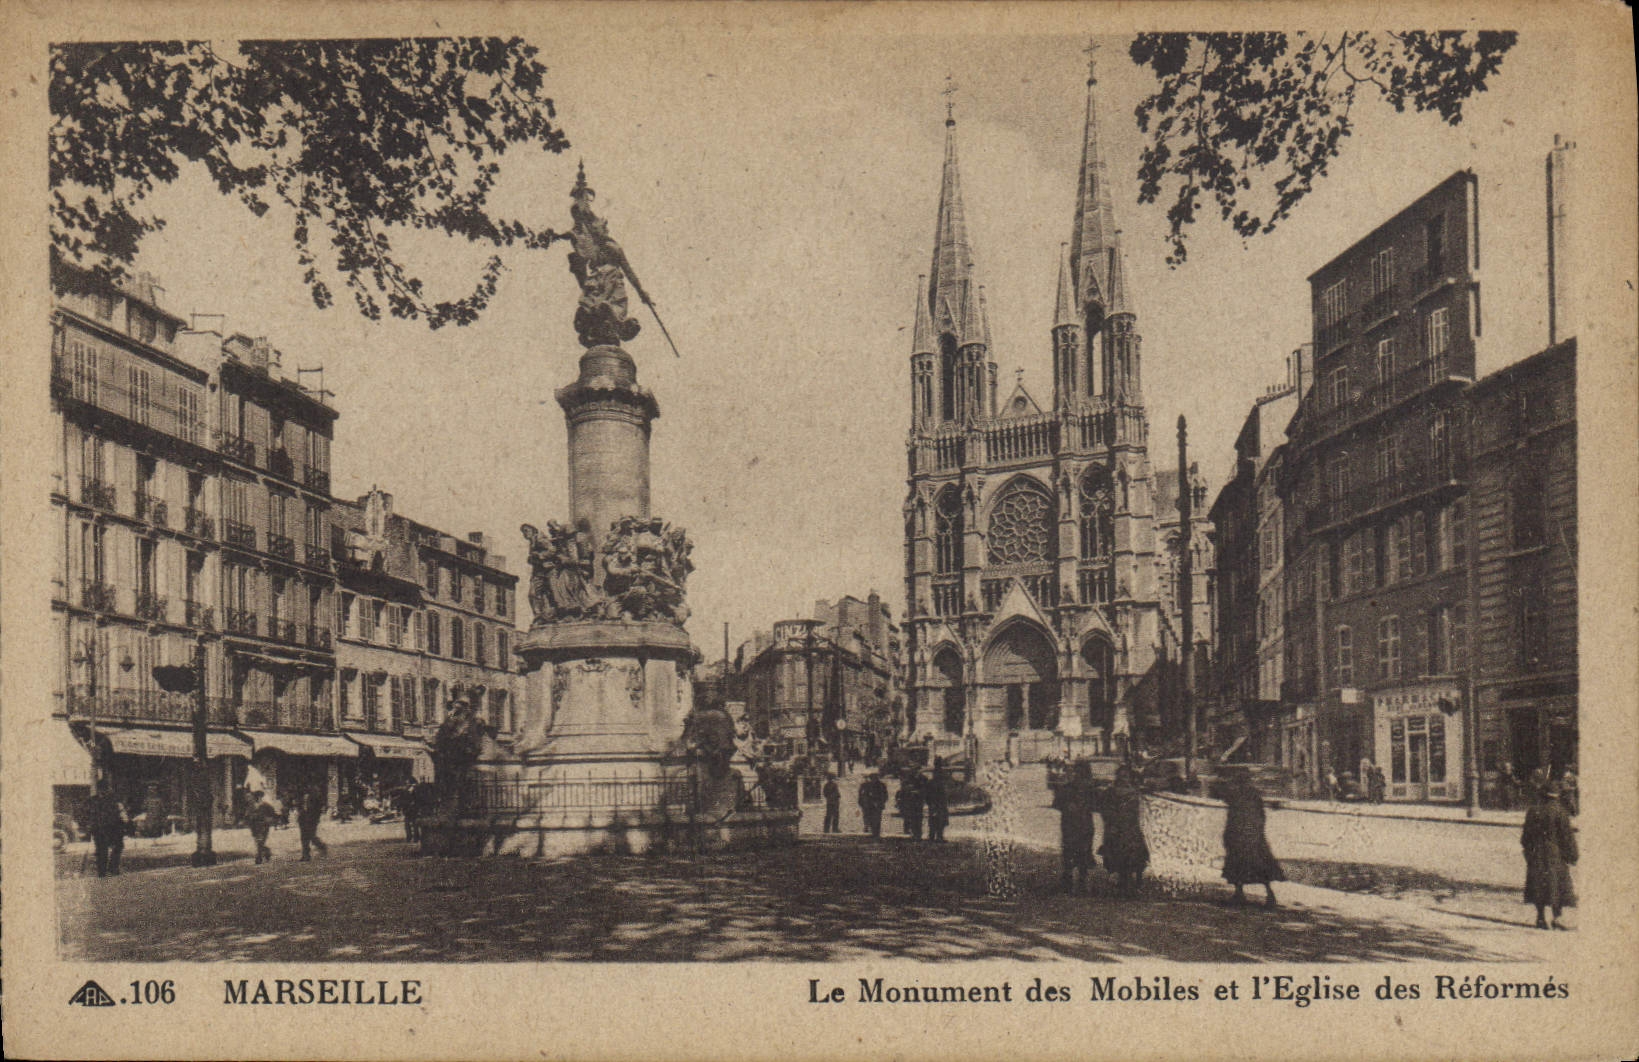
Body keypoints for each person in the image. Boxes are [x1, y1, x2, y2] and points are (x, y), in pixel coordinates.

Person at [1222, 769, 1284, 907]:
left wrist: (1229, 834)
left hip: (1239, 835)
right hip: (1253, 835)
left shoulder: (1236, 795)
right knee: (1259, 864)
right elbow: (1261, 816)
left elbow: (1232, 816)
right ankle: (1268, 894)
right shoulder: (1254, 795)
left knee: (1238, 863)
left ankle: (1240, 893)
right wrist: (1258, 831)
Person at [1522, 781, 1577, 930]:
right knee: (1556, 885)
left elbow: (1525, 838)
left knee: (1538, 885)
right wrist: (1573, 855)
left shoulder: (1533, 811)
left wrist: (1528, 853)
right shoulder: (1560, 812)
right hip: (1555, 854)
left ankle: (1540, 918)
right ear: (1556, 796)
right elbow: (1567, 837)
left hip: (1536, 854)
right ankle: (1557, 917)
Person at [1100, 765, 1151, 896]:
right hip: (1116, 828)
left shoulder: (1137, 794)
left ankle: (1136, 883)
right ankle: (1123, 882)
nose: (1123, 779)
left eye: (1126, 776)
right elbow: (1105, 810)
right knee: (1118, 855)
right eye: (1120, 776)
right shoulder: (1110, 793)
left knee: (1135, 856)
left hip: (1132, 829)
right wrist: (1111, 822)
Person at [1050, 761, 1097, 894]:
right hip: (1070, 825)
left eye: (1082, 774)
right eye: (1077, 773)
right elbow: (1057, 803)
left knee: (1084, 851)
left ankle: (1082, 880)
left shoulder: (1090, 790)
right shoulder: (1067, 789)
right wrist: (1067, 805)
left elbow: (1097, 805)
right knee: (1068, 851)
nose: (1078, 776)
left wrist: (1085, 806)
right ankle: (1068, 880)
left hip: (1085, 825)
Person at [85, 780, 128, 878]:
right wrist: (125, 821)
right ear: (108, 788)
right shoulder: (113, 799)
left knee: (102, 850)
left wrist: (89, 827)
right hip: (111, 828)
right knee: (117, 846)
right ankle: (112, 868)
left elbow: (87, 815)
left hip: (100, 829)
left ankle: (102, 871)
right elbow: (121, 813)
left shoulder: (92, 800)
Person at [246, 790, 279, 865]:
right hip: (254, 826)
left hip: (264, 825)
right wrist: (250, 818)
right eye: (256, 797)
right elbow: (247, 816)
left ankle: (259, 857)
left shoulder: (266, 805)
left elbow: (273, 814)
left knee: (260, 841)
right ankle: (266, 851)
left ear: (261, 797)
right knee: (258, 842)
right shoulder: (251, 806)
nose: (258, 798)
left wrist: (269, 819)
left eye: (259, 796)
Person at [297, 787, 329, 861]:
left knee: (311, 836)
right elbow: (300, 806)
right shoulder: (301, 795)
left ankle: (322, 846)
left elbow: (319, 808)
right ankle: (306, 855)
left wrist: (315, 817)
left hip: (312, 819)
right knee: (304, 837)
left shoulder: (315, 796)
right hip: (303, 819)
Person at [924, 759, 950, 843]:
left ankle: (934, 836)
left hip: (937, 803)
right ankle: (937, 836)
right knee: (938, 819)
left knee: (935, 819)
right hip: (938, 803)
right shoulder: (938, 783)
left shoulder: (932, 782)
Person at [858, 772, 888, 838]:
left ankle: (876, 832)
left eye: (875, 778)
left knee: (877, 818)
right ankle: (874, 831)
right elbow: (862, 794)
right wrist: (862, 802)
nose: (873, 779)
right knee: (871, 818)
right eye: (872, 778)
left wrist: (881, 802)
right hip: (870, 805)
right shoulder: (866, 785)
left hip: (878, 804)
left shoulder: (881, 785)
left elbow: (885, 795)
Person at [897, 773, 925, 840]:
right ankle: (915, 833)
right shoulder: (906, 787)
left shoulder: (918, 787)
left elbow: (923, 795)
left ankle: (917, 834)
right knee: (913, 820)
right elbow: (901, 796)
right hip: (911, 806)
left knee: (916, 820)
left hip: (916, 806)